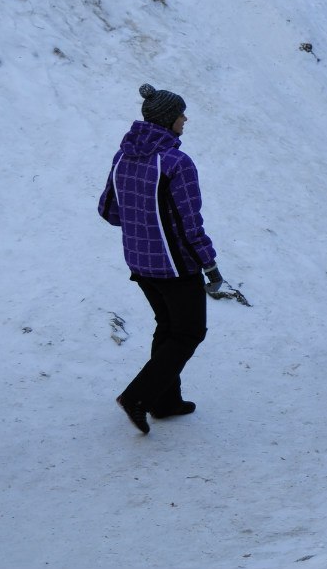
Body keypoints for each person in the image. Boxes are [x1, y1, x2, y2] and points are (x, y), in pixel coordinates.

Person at [98, 83, 228, 434]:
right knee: (189, 332)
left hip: (139, 263)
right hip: (175, 266)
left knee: (168, 327)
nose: (185, 119)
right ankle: (138, 397)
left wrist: (143, 225)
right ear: (169, 119)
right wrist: (210, 265)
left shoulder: (123, 156)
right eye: (181, 114)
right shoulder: (176, 162)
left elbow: (108, 210)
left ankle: (166, 401)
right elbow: (190, 222)